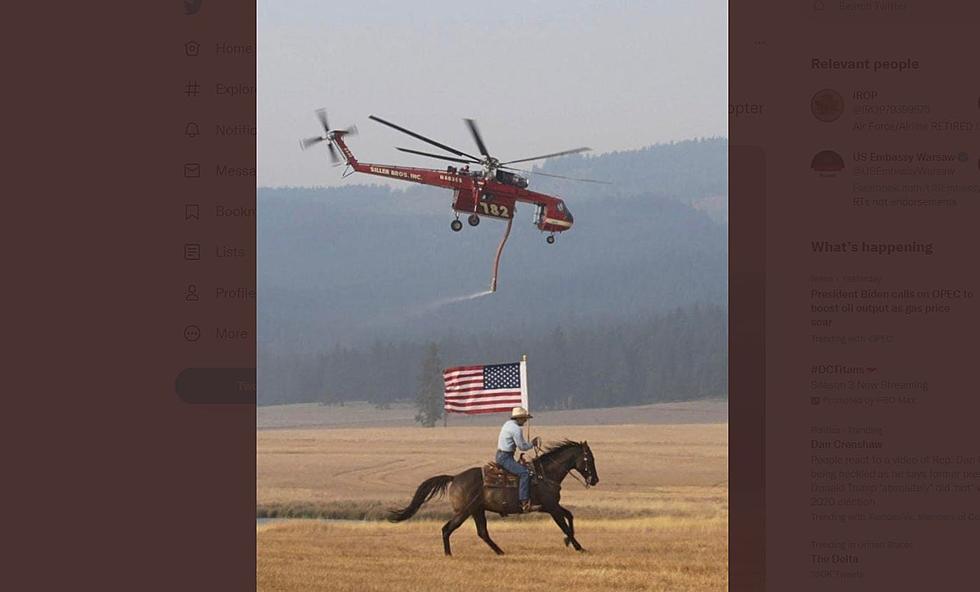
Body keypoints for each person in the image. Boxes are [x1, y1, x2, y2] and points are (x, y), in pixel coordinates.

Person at [495, 407, 542, 512]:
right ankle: (524, 503)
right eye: (524, 418)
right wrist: (532, 444)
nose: (525, 421)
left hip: (503, 455)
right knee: (525, 473)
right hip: (505, 458)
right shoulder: (515, 429)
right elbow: (522, 447)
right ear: (519, 418)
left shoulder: (507, 424)